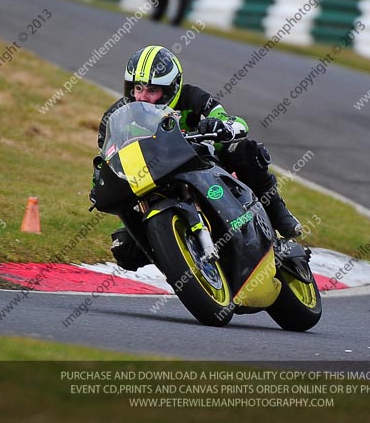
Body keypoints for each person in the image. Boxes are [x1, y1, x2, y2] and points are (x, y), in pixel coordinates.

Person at [91, 45, 302, 271]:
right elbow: (108, 156)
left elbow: (230, 120)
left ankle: (278, 213)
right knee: (124, 250)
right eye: (138, 88)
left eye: (152, 90)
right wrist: (100, 180)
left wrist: (219, 125)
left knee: (246, 150)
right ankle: (178, 257)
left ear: (172, 88)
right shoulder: (117, 117)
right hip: (153, 182)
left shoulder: (192, 97)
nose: (143, 97)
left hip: (201, 165)